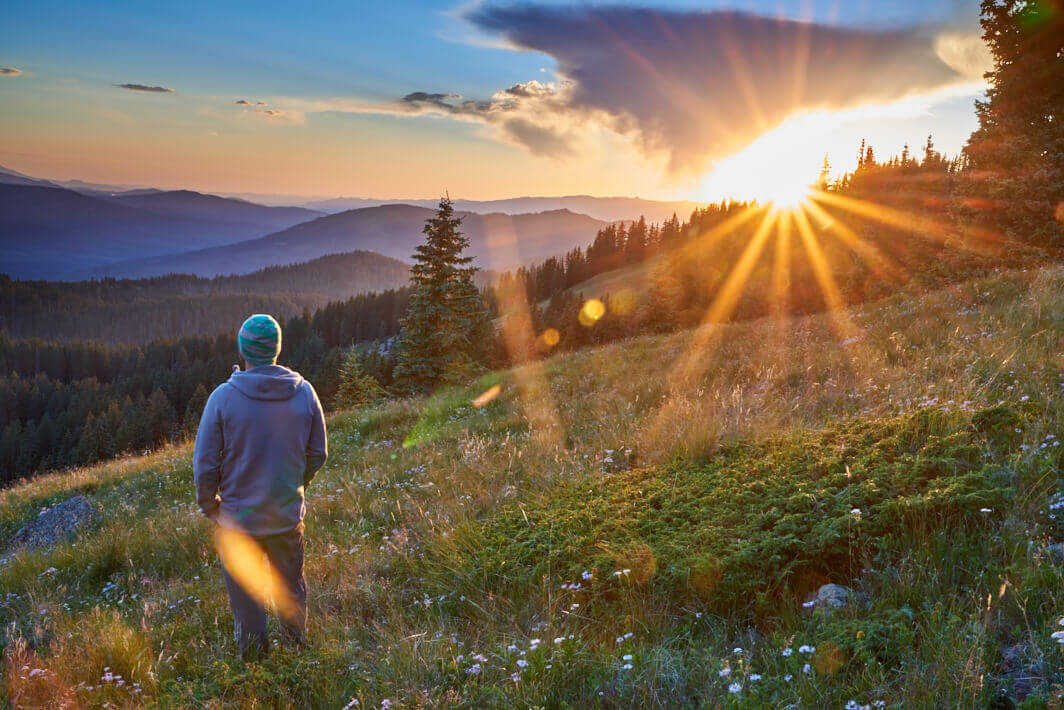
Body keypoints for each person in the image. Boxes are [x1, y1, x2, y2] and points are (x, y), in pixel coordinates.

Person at [193, 314, 327, 658]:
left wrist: (211, 507)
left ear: (243, 351)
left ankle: (254, 672)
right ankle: (296, 658)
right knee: (291, 592)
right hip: (286, 517)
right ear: (277, 350)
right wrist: (298, 485)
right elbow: (318, 453)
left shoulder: (222, 398)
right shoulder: (305, 392)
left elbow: (205, 464)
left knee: (248, 603)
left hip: (238, 524)